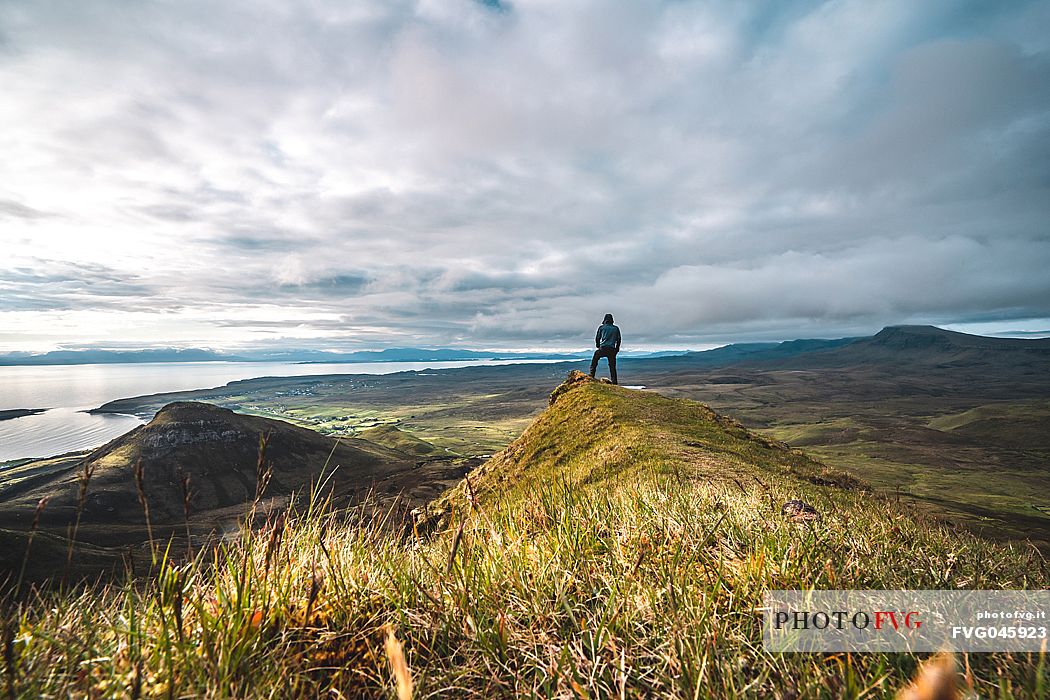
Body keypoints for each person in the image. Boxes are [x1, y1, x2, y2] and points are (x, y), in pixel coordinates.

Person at [589, 313, 621, 384]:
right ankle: (614, 382)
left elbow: (597, 338)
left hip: (603, 348)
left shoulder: (601, 327)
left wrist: (598, 346)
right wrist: (617, 349)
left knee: (594, 362)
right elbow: (618, 339)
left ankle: (591, 376)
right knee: (612, 366)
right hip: (612, 349)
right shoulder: (616, 328)